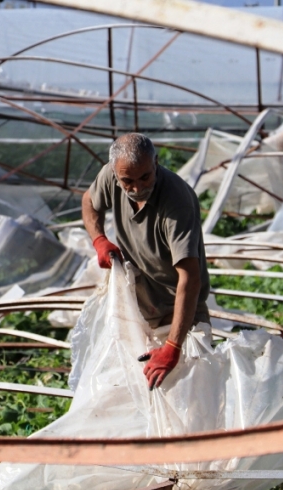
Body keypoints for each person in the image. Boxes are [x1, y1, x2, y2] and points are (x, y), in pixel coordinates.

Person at [82, 133, 210, 390]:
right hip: (137, 308)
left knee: (190, 394)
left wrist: (173, 347)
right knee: (129, 393)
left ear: (156, 163)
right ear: (116, 174)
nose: (137, 188)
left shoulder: (176, 203)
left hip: (178, 312)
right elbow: (89, 201)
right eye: (127, 181)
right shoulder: (111, 176)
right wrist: (99, 240)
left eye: (145, 177)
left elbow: (190, 278)